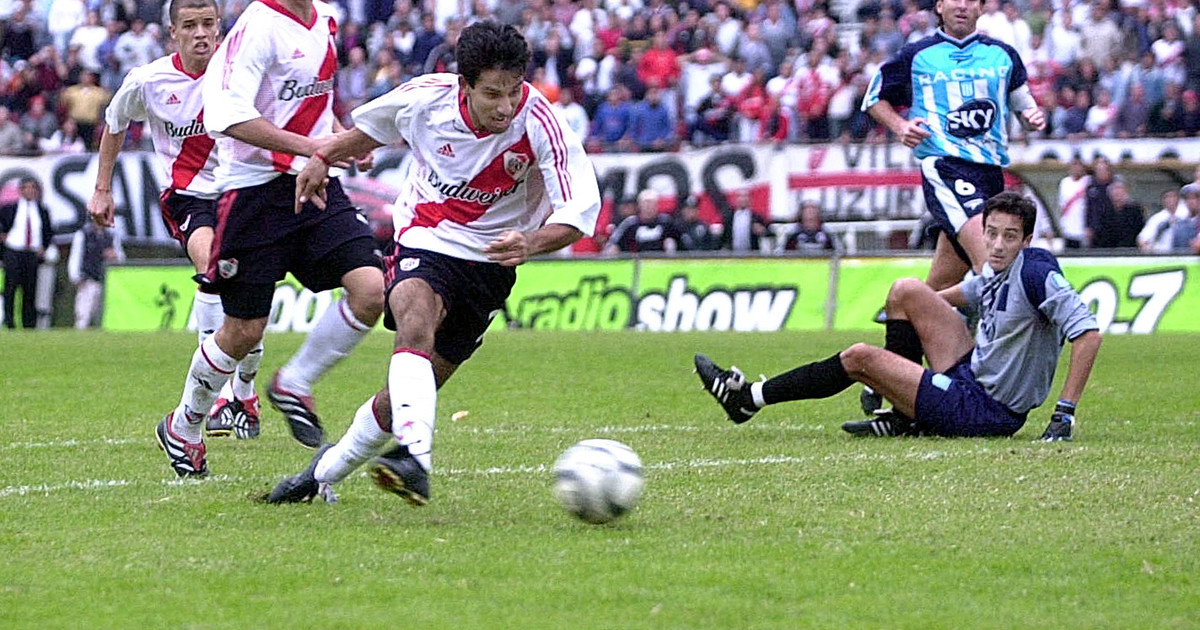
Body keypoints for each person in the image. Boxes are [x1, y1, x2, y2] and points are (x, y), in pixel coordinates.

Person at [265, 21, 600, 506]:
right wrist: (321, 159)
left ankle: (321, 473)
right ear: (464, 85)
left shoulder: (542, 122)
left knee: (397, 400)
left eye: (513, 91)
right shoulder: (425, 98)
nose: (505, 106)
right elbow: (368, 132)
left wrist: (530, 242)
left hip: (490, 264)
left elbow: (579, 213)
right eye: (492, 94)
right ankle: (415, 459)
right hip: (426, 238)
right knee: (414, 322)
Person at [148, 0, 388, 478]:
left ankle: (294, 382)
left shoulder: (325, 18)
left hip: (314, 182)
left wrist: (341, 139)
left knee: (371, 290)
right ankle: (184, 424)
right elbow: (226, 115)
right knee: (243, 331)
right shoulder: (257, 28)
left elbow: (311, 105)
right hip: (254, 193)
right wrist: (316, 147)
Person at [694, 192, 1102, 441]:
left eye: (1009, 236)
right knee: (906, 290)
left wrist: (1064, 413)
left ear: (1027, 240)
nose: (996, 244)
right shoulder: (999, 268)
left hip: (986, 409)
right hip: (971, 375)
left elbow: (1088, 335)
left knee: (859, 357)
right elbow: (968, 291)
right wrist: (907, 316)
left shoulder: (1036, 274)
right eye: (991, 233)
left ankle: (748, 399)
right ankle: (904, 415)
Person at [89, 0, 263, 440]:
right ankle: (220, 396)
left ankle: (244, 392)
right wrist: (102, 188)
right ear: (173, 32)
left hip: (242, 190)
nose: (200, 33)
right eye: (190, 25)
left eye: (208, 24)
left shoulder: (240, 71)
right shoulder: (148, 80)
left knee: (249, 291)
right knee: (214, 269)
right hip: (188, 197)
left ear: (219, 27)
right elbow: (115, 123)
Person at [862, 0, 1045, 292]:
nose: (962, 6)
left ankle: (903, 315)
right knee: (994, 263)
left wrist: (1031, 117)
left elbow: (1024, 105)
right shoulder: (916, 54)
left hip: (991, 171)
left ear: (981, 8)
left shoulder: (1003, 55)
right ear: (939, 6)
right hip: (946, 165)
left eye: (970, 0)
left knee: (941, 286)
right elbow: (873, 98)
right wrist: (900, 126)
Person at [0, 178, 53, 329]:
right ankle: (9, 321)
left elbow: (48, 232)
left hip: (32, 254)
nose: (30, 191)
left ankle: (29, 323)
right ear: (21, 190)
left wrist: (43, 247)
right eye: (26, 188)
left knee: (30, 290)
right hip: (14, 251)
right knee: (10, 288)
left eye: (33, 188)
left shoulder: (42, 211)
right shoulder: (10, 208)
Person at [67, 220, 123, 329]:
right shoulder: (83, 234)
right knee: (83, 314)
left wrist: (115, 255)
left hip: (106, 281)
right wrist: (75, 276)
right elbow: (75, 256)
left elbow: (121, 258)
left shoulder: (111, 236)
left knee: (103, 314)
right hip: (88, 279)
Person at [603, 189, 678, 254]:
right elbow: (614, 243)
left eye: (651, 204)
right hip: (636, 262)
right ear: (639, 205)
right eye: (646, 204)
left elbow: (680, 241)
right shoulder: (631, 223)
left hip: (661, 262)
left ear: (657, 205)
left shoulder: (666, 222)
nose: (648, 207)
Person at [1137, 188, 1182, 253]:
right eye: (1167, 197)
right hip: (1162, 254)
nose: (1170, 200)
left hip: (1184, 254)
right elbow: (1142, 239)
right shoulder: (1157, 218)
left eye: (1173, 196)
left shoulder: (1186, 215)